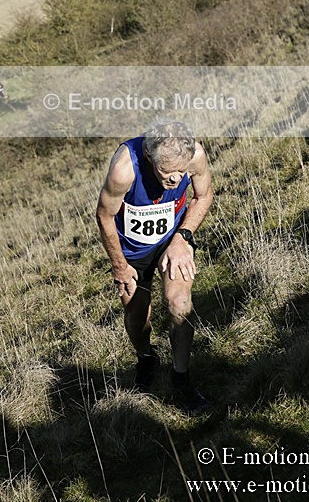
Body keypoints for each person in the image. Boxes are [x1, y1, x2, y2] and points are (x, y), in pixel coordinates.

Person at [96, 119, 213, 414]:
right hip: (131, 251)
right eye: (167, 172)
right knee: (137, 316)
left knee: (180, 303)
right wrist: (120, 266)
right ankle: (147, 358)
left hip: (171, 240)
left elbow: (204, 195)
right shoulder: (125, 168)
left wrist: (182, 238)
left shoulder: (195, 156)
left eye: (180, 172)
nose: (175, 180)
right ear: (149, 157)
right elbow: (104, 216)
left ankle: (181, 379)